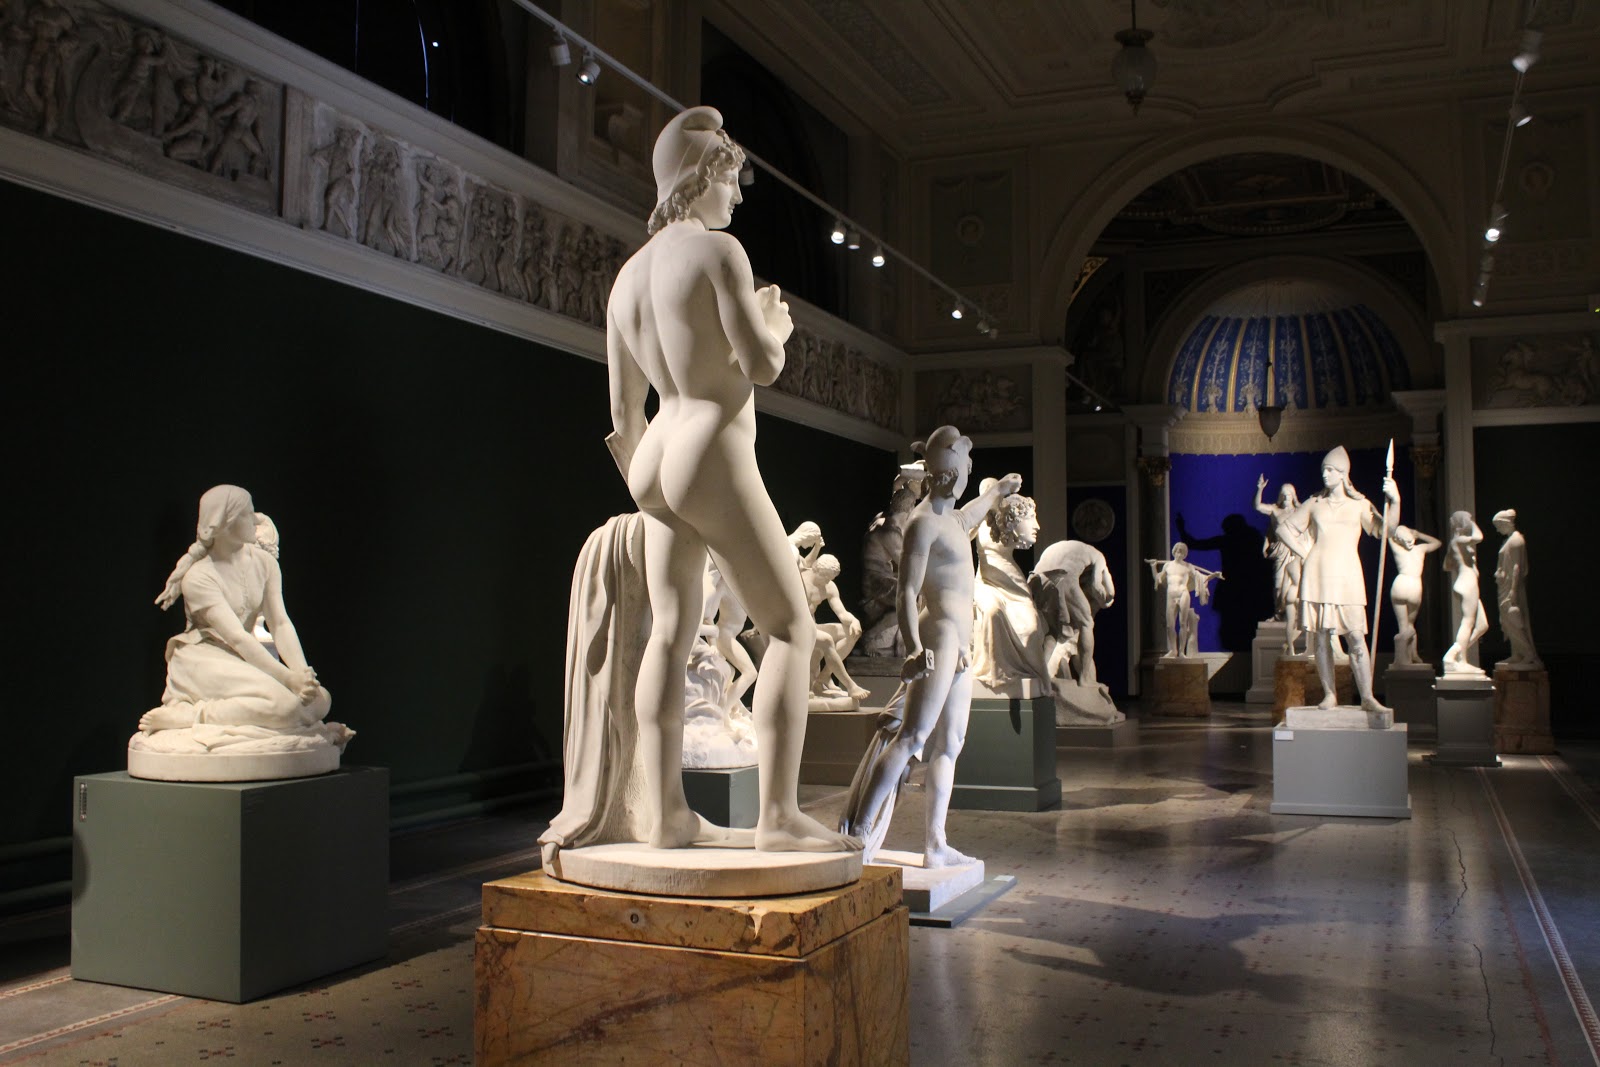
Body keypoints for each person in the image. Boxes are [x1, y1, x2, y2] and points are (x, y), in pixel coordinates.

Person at [603, 106, 856, 854]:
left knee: (669, 636)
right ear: (698, 177)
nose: (738, 195)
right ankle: (777, 818)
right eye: (732, 179)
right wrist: (775, 324)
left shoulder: (626, 279)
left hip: (654, 455)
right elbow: (764, 365)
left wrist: (651, 486)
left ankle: (666, 815)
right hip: (709, 444)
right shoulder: (719, 252)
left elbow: (621, 414)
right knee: (791, 628)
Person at [839, 426, 1021, 866]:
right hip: (938, 636)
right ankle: (860, 834)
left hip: (960, 641)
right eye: (966, 470)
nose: (968, 479)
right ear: (949, 476)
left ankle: (935, 844)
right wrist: (913, 649)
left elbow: (972, 513)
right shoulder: (921, 524)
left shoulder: (952, 519)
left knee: (951, 742)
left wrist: (997, 491)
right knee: (912, 737)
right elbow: (906, 591)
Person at [139, 485, 334, 735]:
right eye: (247, 514)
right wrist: (288, 679)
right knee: (284, 706)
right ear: (224, 523)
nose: (256, 520)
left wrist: (302, 677)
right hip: (203, 657)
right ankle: (192, 715)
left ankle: (280, 708)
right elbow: (237, 637)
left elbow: (280, 623)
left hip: (240, 654)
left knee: (321, 700)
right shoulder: (199, 577)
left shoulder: (264, 563)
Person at [1284, 445, 1398, 709]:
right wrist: (1305, 552)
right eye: (1323, 470)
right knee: (1322, 636)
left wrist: (1396, 501)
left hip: (1347, 575)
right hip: (1318, 573)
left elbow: (1386, 531)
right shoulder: (1315, 503)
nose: (1325, 475)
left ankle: (1367, 696)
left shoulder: (1359, 505)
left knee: (1356, 636)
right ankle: (1329, 694)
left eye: (1330, 470)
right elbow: (1285, 529)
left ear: (1343, 473)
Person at [970, 488, 1048, 690]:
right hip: (986, 583)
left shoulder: (1004, 526)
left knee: (1030, 628)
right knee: (992, 612)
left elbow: (1025, 537)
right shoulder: (981, 522)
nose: (1037, 525)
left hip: (1012, 582)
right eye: (1032, 519)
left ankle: (1036, 673)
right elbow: (960, 532)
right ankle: (995, 671)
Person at [801, 554, 869, 703]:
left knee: (850, 632)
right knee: (827, 639)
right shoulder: (800, 581)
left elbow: (842, 613)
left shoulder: (829, 586)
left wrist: (854, 621)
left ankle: (824, 677)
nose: (828, 581)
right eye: (825, 577)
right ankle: (850, 685)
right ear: (816, 569)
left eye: (830, 578)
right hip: (798, 628)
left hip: (812, 627)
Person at [1254, 476, 1306, 654]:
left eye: (1289, 494)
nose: (1286, 497)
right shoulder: (1275, 510)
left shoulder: (1300, 510)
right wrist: (1260, 489)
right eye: (1283, 494)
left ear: (1293, 495)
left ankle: (1294, 615)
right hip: (1280, 550)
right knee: (1278, 585)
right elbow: (1257, 506)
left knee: (1295, 585)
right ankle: (1279, 614)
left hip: (1295, 551)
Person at [1145, 543, 1221, 658]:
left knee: (1182, 623)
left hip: (1183, 594)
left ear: (1185, 554)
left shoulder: (1188, 566)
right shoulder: (1167, 565)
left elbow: (1201, 578)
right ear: (1174, 551)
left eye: (1182, 551)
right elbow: (1158, 578)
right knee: (1170, 625)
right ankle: (1173, 650)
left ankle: (1181, 651)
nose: (1179, 552)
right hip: (1171, 595)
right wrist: (1153, 567)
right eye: (1177, 550)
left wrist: (1214, 575)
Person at [1491, 509, 1542, 669]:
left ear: (1505, 523)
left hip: (1510, 587)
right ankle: (1517, 653)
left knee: (1513, 620)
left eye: (1498, 526)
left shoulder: (1516, 540)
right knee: (1507, 621)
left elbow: (1517, 567)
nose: (1497, 530)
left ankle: (1528, 654)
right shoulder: (1509, 540)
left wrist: (1513, 590)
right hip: (1504, 585)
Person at [1442, 511, 1490, 675]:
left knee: (1482, 625)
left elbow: (1446, 565)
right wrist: (1471, 522)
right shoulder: (1458, 541)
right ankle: (1458, 659)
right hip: (1467, 582)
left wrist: (1461, 561)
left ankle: (1455, 653)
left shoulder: (1456, 543)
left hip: (1467, 582)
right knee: (1468, 621)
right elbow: (1479, 537)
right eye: (1468, 521)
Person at [1388, 525, 1441, 667]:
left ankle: (1409, 655)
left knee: (1403, 626)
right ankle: (1411, 655)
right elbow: (1437, 543)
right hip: (1413, 585)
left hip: (1400, 584)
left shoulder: (1398, 549)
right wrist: (1420, 534)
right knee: (1410, 625)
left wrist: (1394, 533)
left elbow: (1389, 534)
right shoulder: (1420, 549)